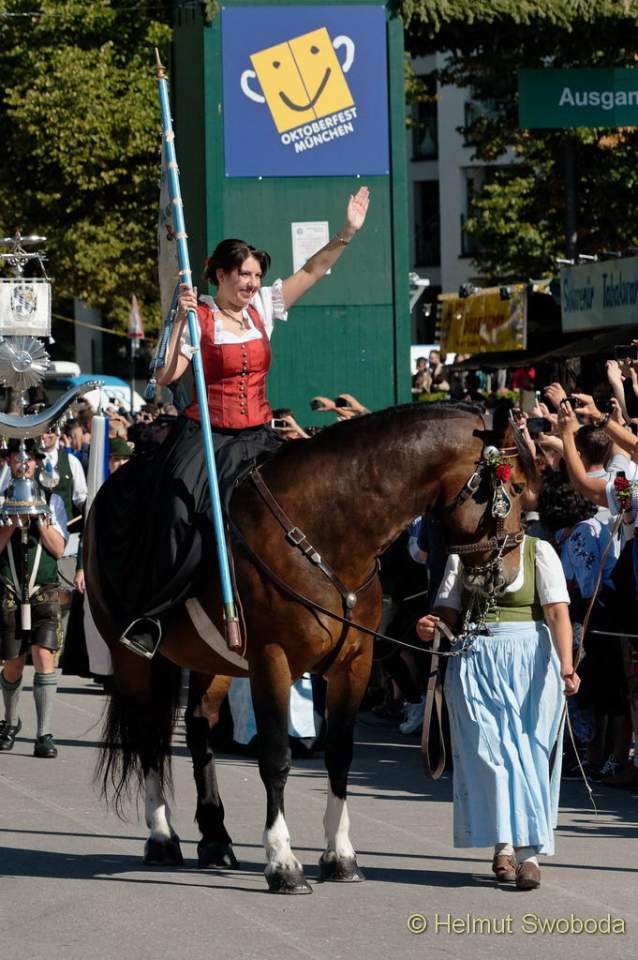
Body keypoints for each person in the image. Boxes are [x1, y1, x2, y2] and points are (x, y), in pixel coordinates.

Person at [92, 187, 370, 658]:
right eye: (244, 275)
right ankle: (153, 615)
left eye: (257, 275)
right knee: (178, 511)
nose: (252, 283)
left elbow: (311, 270)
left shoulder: (262, 309)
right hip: (208, 435)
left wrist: (346, 232)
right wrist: (178, 323)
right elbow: (168, 375)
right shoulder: (199, 318)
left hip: (260, 435)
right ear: (220, 275)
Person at [415, 534, 579, 890]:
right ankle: (503, 843)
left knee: (527, 757)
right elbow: (445, 616)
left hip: (531, 662)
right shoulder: (460, 557)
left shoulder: (539, 551)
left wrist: (567, 665)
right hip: (475, 658)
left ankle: (528, 854)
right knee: (489, 757)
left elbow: (556, 612)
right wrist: (428, 627)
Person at [0, 440, 68, 757]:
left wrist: (40, 520)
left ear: (38, 464)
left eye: (28, 460)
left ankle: (45, 733)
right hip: (10, 588)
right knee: (13, 661)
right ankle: (10, 721)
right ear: (9, 462)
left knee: (44, 653)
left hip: (44, 588)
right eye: (17, 458)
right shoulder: (2, 499)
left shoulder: (52, 500)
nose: (23, 464)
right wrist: (11, 523)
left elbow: (59, 548)